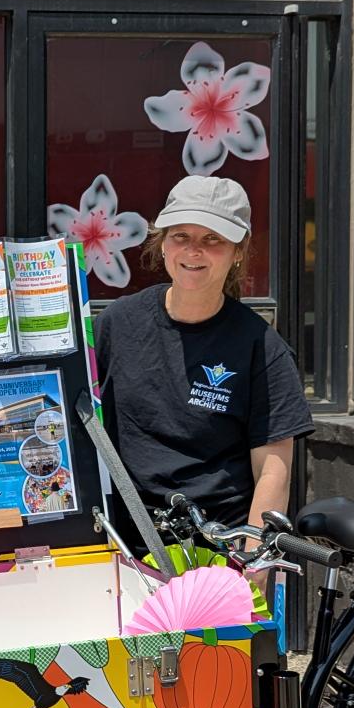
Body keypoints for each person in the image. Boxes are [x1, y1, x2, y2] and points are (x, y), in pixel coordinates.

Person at [94, 175, 312, 536]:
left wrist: (253, 559)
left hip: (218, 545)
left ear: (238, 251)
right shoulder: (117, 324)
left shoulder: (261, 346)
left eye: (213, 239)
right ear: (163, 244)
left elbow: (274, 470)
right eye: (181, 236)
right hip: (122, 543)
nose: (194, 250)